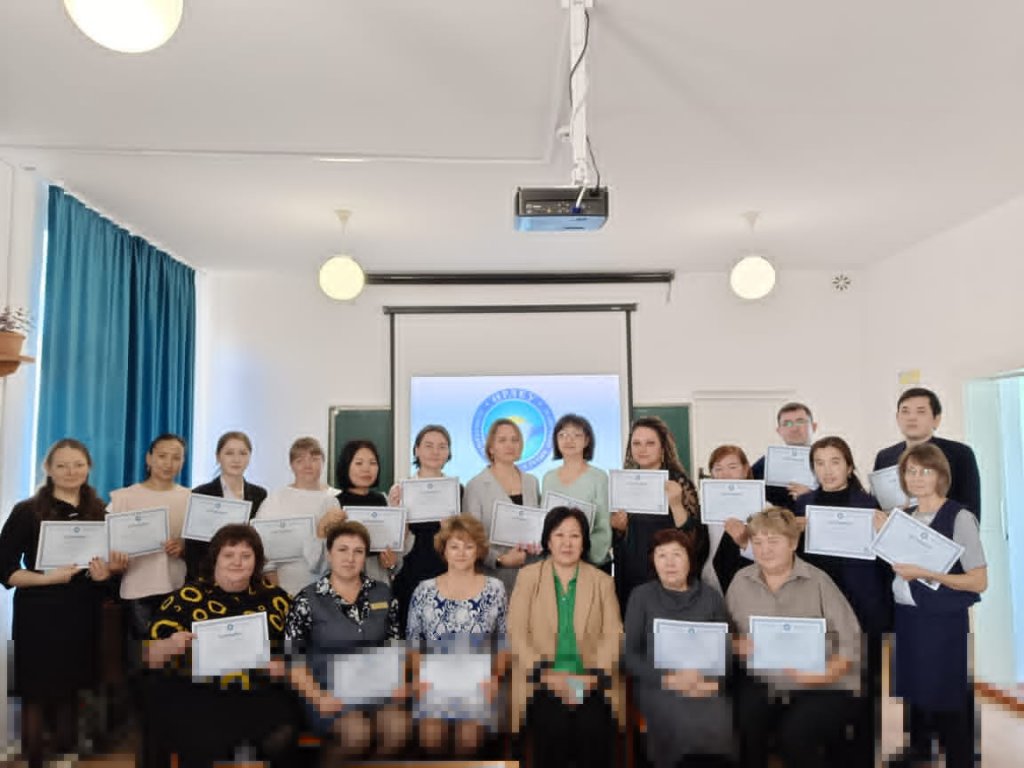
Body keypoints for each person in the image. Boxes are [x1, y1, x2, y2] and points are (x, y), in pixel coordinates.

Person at [0, 439, 113, 768]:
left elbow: (105, 577)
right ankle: (34, 758)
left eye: (78, 464)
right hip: (39, 612)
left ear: (89, 467)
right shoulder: (27, 511)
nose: (70, 471)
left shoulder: (100, 512)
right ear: (48, 469)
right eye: (62, 465)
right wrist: (48, 578)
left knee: (72, 687)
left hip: (82, 612)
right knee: (35, 691)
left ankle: (65, 754)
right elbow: (4, 569)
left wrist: (104, 574)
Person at [143, 524, 295, 768]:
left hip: (257, 690)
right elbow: (150, 658)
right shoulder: (185, 598)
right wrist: (170, 644)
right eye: (229, 555)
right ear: (215, 558)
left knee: (280, 731)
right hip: (197, 691)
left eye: (246, 556)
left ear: (256, 561)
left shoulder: (276, 598)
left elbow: (297, 652)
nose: (237, 562)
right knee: (198, 731)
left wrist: (283, 665)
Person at [726, 507, 862, 768]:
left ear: (793, 543)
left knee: (796, 737)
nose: (765, 550)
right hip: (764, 680)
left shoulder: (819, 581)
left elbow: (850, 641)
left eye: (773, 541)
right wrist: (735, 645)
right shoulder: (740, 581)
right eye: (758, 542)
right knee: (744, 725)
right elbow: (726, 635)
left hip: (823, 683)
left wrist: (822, 675)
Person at [879, 443, 986, 768]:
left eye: (925, 471)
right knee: (916, 693)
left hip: (942, 621)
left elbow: (978, 581)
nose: (917, 477)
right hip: (908, 618)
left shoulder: (960, 517)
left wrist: (926, 573)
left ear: (941, 475)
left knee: (948, 696)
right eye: (911, 471)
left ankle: (960, 760)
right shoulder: (905, 518)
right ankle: (921, 753)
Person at [793, 436, 893, 768]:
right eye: (819, 463)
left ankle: (862, 758)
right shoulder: (802, 505)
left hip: (865, 609)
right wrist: (795, 532)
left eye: (835, 461)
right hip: (819, 613)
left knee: (865, 689)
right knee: (826, 688)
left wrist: (886, 530)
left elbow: (887, 566)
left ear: (849, 466)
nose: (827, 470)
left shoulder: (869, 506)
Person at [507, 507, 623, 768]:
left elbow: (613, 634)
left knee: (593, 728)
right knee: (552, 726)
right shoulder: (528, 577)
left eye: (575, 536)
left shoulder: (602, 582)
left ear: (584, 542)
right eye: (559, 535)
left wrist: (591, 678)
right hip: (540, 680)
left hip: (590, 679)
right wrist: (547, 675)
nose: (567, 543)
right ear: (548, 541)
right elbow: (516, 632)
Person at [284, 520, 409, 760]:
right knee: (356, 733)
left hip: (376, 689)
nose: (350, 558)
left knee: (399, 729)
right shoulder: (306, 599)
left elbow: (394, 646)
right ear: (329, 554)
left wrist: (400, 681)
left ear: (365, 557)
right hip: (328, 692)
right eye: (342, 550)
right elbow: (293, 660)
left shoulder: (382, 593)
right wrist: (318, 697)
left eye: (358, 551)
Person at [624, 528, 736, 768]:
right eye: (661, 555)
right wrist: (670, 680)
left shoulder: (711, 597)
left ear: (690, 559)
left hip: (704, 681)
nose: (669, 563)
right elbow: (630, 655)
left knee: (719, 715)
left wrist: (711, 683)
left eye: (677, 554)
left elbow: (725, 652)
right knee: (679, 716)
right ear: (653, 561)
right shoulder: (641, 596)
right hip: (658, 683)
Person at [406, 514, 507, 756]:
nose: (461, 553)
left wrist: (495, 678)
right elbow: (413, 643)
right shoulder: (424, 590)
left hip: (478, 682)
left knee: (468, 738)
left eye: (468, 546)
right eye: (454, 546)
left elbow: (504, 642)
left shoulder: (495, 589)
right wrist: (419, 679)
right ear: (444, 550)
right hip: (434, 681)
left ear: (478, 550)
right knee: (431, 737)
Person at [610, 416, 706, 613]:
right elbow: (619, 539)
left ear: (662, 448)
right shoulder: (625, 482)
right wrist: (619, 528)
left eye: (650, 443)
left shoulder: (678, 482)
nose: (642, 449)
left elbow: (694, 539)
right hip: (631, 575)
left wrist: (676, 504)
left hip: (668, 575)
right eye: (636, 443)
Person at [108, 433, 191, 636]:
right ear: (149, 458)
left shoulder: (191, 498)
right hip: (137, 590)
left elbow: (201, 547)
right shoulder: (123, 498)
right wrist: (114, 560)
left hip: (178, 588)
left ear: (183, 462)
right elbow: (106, 545)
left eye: (176, 457)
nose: (168, 463)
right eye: (162, 456)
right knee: (143, 653)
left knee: (176, 653)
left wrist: (183, 548)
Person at [873, 387, 981, 520]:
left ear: (936, 419)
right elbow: (877, 508)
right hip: (897, 530)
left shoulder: (960, 454)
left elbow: (971, 508)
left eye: (921, 412)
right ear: (897, 418)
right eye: (905, 411)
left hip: (945, 530)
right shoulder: (885, 457)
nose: (911, 418)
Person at [389, 424, 459, 633]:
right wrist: (396, 512)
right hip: (411, 570)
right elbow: (393, 541)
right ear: (417, 450)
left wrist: (451, 531)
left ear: (449, 453)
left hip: (447, 570)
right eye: (428, 446)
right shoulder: (400, 489)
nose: (435, 452)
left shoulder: (457, 489)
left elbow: (465, 538)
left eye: (442, 446)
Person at [253, 436, 341, 596]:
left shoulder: (335, 499)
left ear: (323, 462)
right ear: (291, 465)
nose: (308, 465)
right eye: (300, 460)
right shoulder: (276, 498)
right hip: (284, 587)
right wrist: (275, 587)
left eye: (314, 459)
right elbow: (260, 543)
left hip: (328, 590)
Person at [463, 418, 542, 594]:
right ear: (491, 448)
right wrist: (500, 559)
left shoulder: (532, 482)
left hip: (531, 576)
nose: (509, 445)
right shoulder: (475, 486)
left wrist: (538, 544)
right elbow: (471, 537)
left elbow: (538, 526)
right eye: (502, 440)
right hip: (493, 578)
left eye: (514, 440)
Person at [320, 438, 410, 583]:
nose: (366, 469)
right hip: (343, 582)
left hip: (378, 581)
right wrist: (322, 527)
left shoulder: (384, 500)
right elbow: (320, 562)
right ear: (346, 466)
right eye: (359, 463)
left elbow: (395, 561)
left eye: (372, 463)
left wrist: (392, 562)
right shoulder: (333, 504)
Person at [186, 430, 268, 580]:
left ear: (249, 457)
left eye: (243, 453)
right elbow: (193, 547)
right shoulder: (201, 493)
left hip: (247, 576)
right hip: (208, 576)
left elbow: (260, 541)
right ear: (218, 457)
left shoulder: (260, 494)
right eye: (229, 453)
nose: (236, 459)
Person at [541, 413, 612, 572]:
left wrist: (582, 554)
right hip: (556, 564)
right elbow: (545, 523)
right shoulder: (548, 478)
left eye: (576, 435)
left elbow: (603, 526)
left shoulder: (599, 477)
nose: (569, 440)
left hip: (591, 563)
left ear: (587, 441)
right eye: (563, 435)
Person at [705, 444, 759, 594]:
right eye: (718, 469)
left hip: (749, 589)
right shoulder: (704, 510)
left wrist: (745, 544)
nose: (725, 474)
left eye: (732, 467)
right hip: (709, 587)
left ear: (745, 470)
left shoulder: (764, 508)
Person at [750, 402, 817, 510]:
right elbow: (749, 491)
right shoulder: (766, 463)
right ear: (779, 431)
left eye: (800, 422)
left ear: (813, 427)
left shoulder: (830, 461)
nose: (794, 428)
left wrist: (811, 495)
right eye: (787, 424)